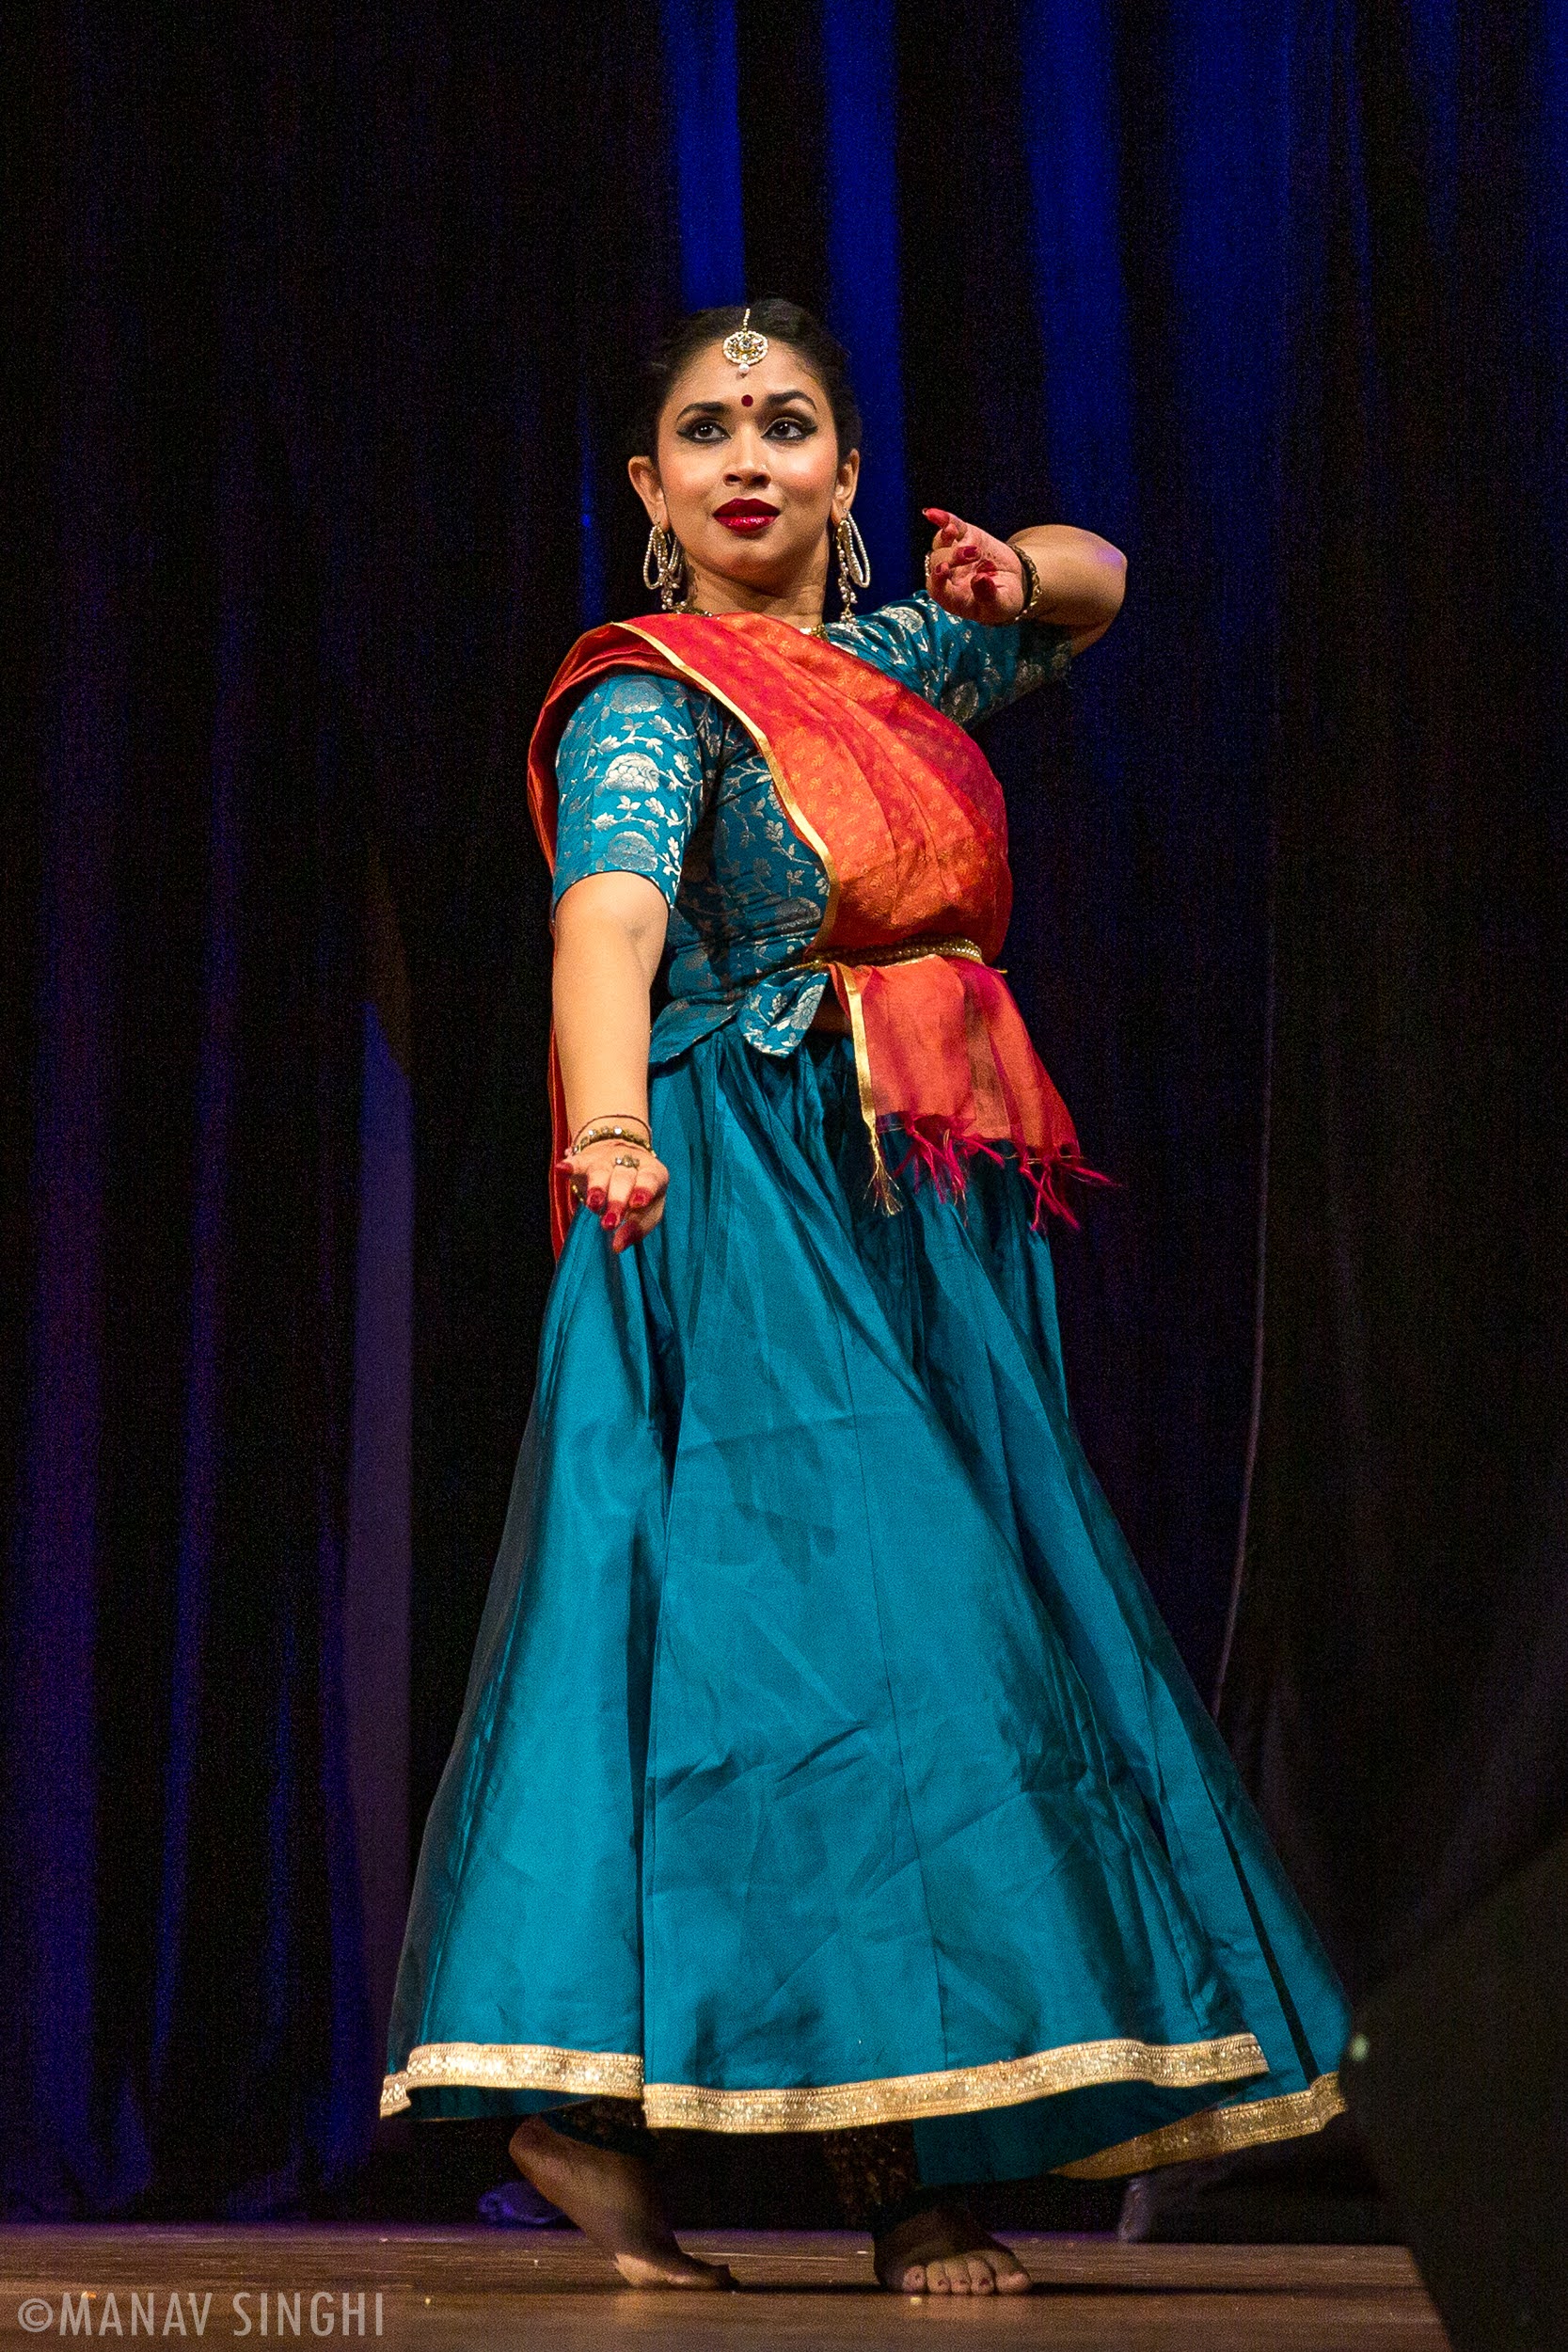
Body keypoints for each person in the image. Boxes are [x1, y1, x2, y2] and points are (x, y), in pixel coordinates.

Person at [381, 298, 1351, 2296]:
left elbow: (1101, 590)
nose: (752, 453)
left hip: (919, 1208)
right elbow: (613, 918)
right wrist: (607, 1125)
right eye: (708, 430)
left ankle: (605, 2103)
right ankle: (897, 2179)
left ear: (841, 474)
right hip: (751, 1197)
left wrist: (1026, 567)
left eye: (792, 424)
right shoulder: (660, 700)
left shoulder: (891, 657)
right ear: (653, 492)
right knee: (867, 1664)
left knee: (896, 1648)